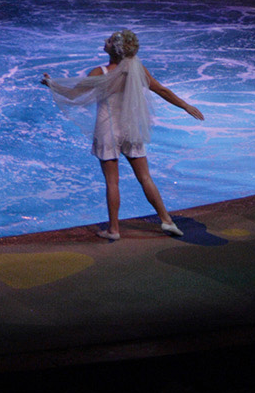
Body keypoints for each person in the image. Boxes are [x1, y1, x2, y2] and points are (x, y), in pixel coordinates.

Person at [42, 29, 204, 241]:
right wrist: (185, 106)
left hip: (107, 130)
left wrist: (51, 84)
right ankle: (167, 220)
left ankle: (114, 230)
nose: (105, 41)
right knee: (145, 177)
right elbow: (162, 90)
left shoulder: (100, 72)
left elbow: (73, 95)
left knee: (112, 182)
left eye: (109, 41)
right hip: (131, 128)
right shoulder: (136, 69)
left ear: (115, 49)